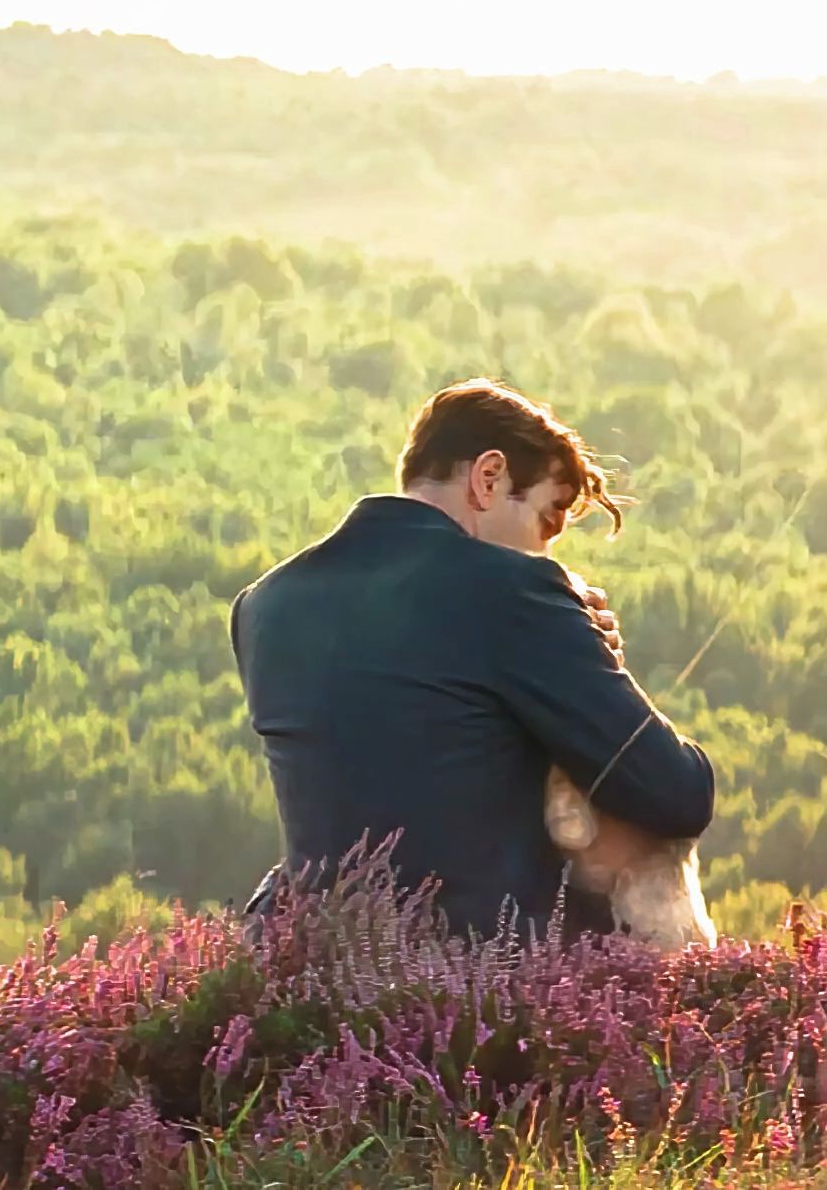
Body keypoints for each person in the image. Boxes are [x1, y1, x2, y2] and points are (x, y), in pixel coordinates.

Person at [229, 377, 715, 947]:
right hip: (490, 981)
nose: (546, 550)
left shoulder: (263, 605)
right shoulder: (512, 591)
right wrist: (582, 648)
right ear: (488, 478)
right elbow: (676, 793)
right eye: (546, 519)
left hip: (320, 971)